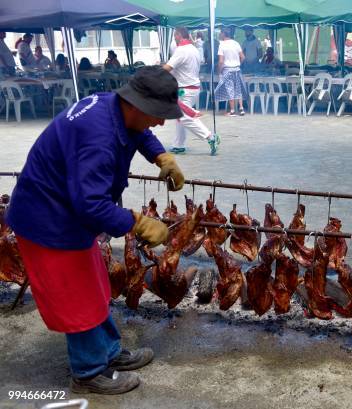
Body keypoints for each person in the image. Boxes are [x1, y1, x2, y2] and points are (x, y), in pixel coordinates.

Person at [6, 66, 186, 395]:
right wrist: (138, 223)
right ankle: (88, 372)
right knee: (77, 298)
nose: (160, 122)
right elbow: (90, 205)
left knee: (94, 288)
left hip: (66, 215)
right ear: (136, 104)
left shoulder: (112, 104)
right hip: (48, 221)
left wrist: (161, 156)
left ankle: (109, 352)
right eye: (157, 115)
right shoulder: (97, 139)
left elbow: (139, 131)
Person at [163, 27, 218, 155]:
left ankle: (210, 137)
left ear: (179, 35)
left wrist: (153, 71)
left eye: (175, 36)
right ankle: (178, 144)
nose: (174, 39)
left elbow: (168, 67)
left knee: (184, 116)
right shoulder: (194, 49)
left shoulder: (181, 50)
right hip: (192, 88)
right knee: (179, 116)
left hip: (185, 89)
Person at [215, 28, 247, 116]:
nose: (219, 35)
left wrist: (219, 71)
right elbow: (243, 57)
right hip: (237, 69)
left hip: (227, 70)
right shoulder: (236, 43)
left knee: (230, 89)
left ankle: (232, 110)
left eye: (220, 33)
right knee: (238, 89)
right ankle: (241, 108)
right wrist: (237, 64)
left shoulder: (222, 45)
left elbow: (221, 61)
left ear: (223, 34)